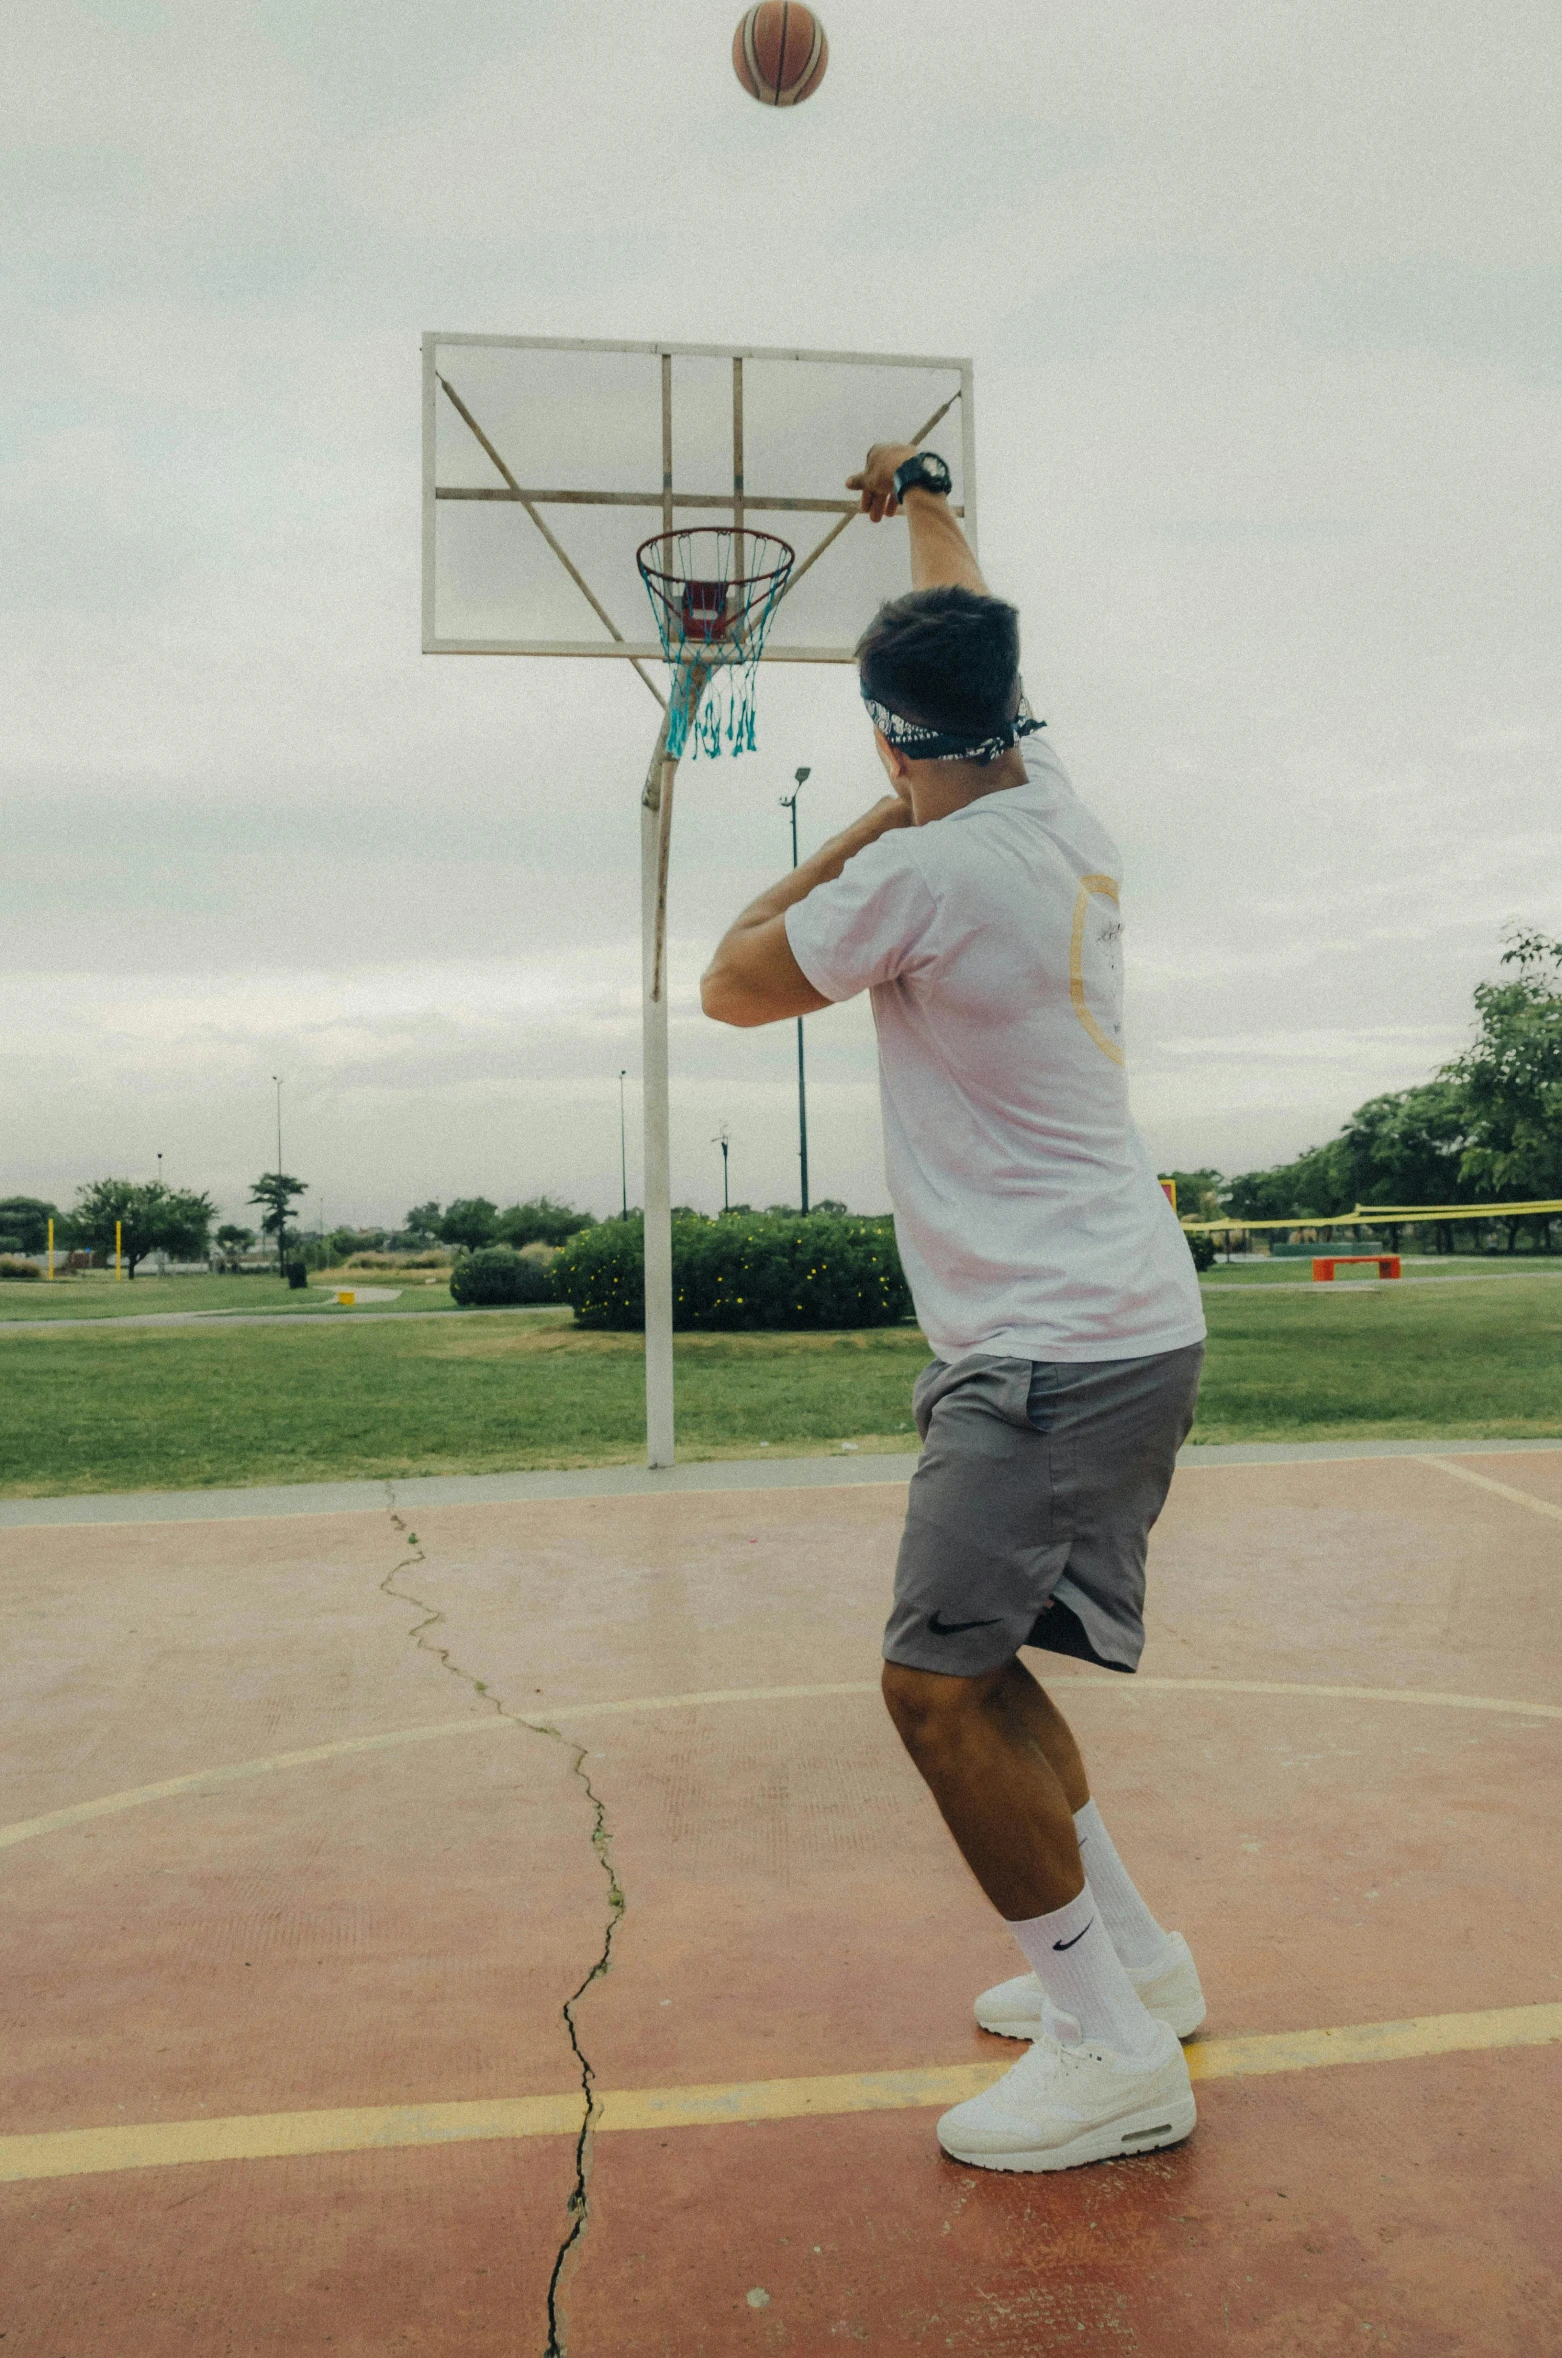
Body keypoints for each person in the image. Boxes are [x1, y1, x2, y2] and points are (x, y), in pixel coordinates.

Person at [700, 441, 1209, 2174]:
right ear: (1012, 709)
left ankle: (1110, 2048)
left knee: (931, 1690)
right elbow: (967, 604)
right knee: (982, 1668)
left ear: (889, 738)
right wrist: (917, 487)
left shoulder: (916, 875)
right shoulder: (1049, 797)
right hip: (1110, 1323)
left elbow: (728, 980)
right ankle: (1131, 1957)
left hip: (1051, 1350)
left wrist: (865, 814)